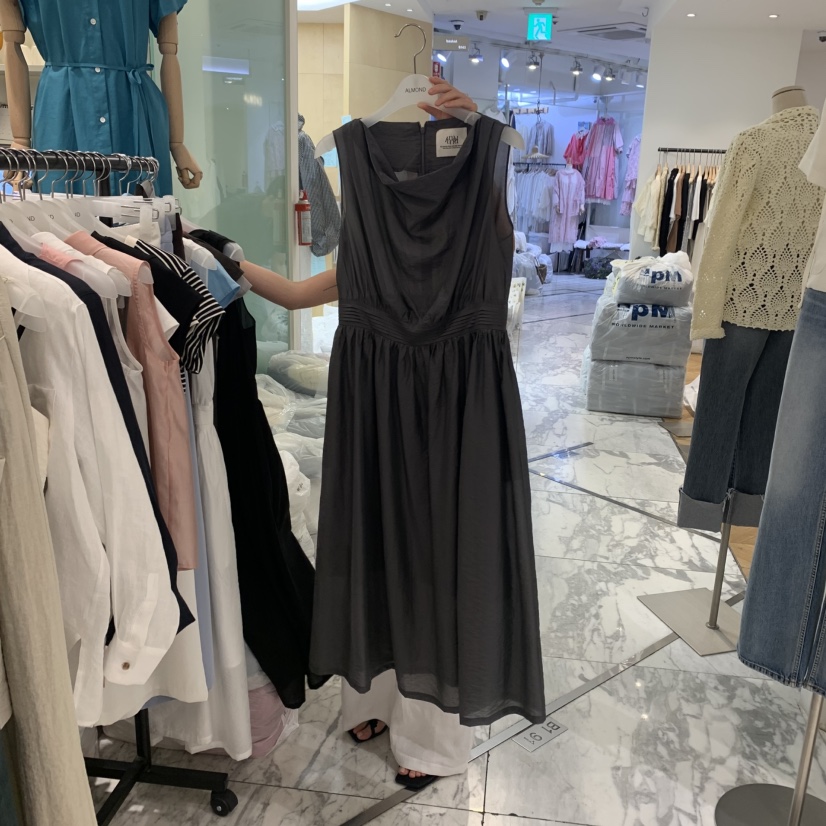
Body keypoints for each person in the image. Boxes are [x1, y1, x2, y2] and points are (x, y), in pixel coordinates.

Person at [242, 79, 495, 787]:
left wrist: (478, 124)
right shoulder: (361, 222)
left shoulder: (484, 204)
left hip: (454, 417)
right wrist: (215, 255)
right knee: (376, 551)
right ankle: (376, 698)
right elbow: (294, 293)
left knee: (437, 563)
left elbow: (495, 193)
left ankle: (432, 735)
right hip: (374, 413)